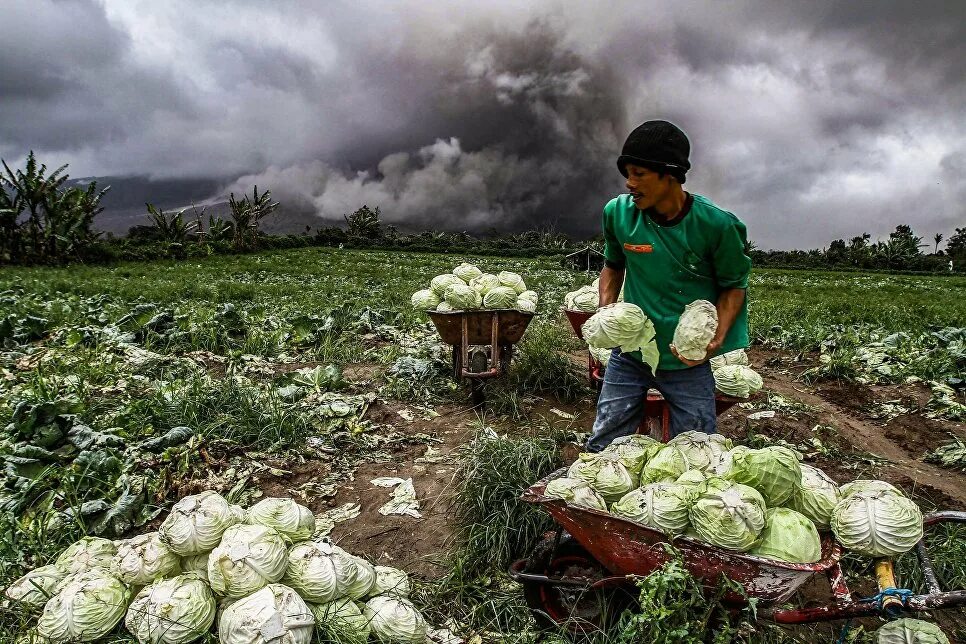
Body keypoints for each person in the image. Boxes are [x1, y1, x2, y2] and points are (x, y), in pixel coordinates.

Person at [586, 120, 751, 452]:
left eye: (639, 174)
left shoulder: (716, 225)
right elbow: (613, 266)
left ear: (670, 174)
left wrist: (713, 341)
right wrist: (606, 313)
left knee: (697, 450)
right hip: (630, 354)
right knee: (603, 442)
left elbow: (734, 287)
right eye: (627, 174)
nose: (630, 184)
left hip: (684, 362)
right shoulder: (618, 214)